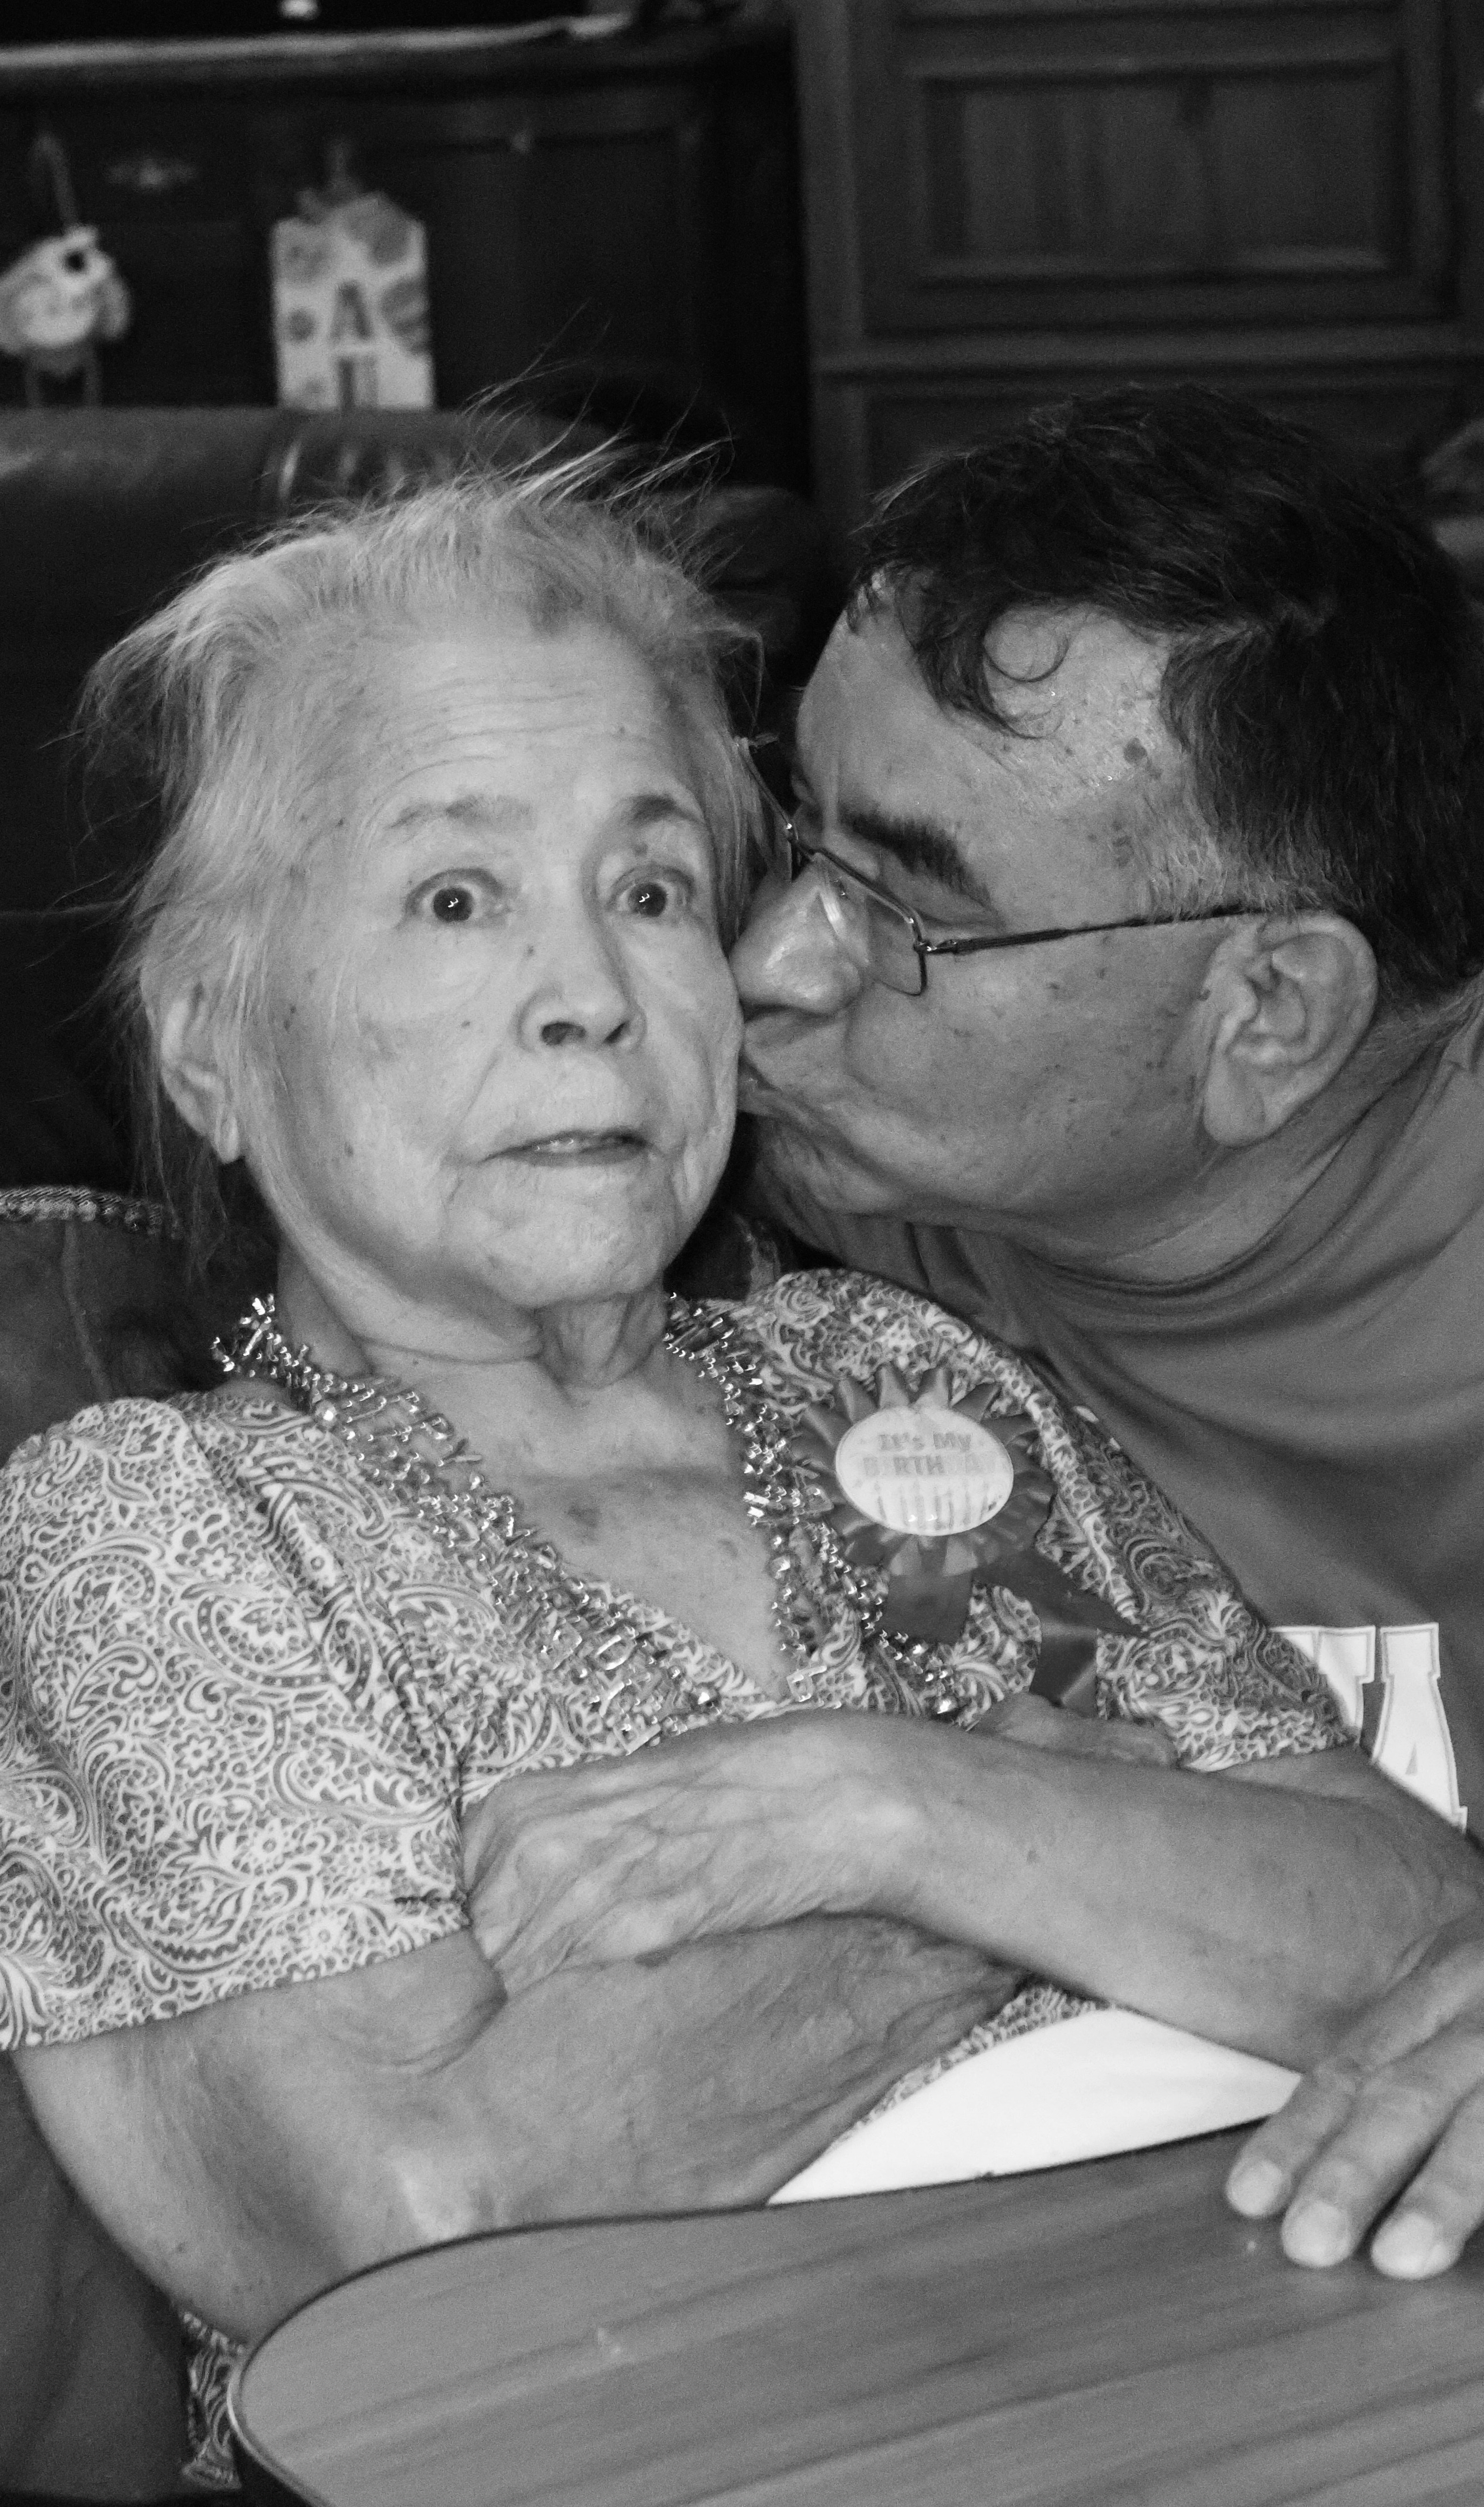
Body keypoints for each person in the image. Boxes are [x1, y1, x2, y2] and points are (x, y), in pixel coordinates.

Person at [0, 464, 1477, 2488]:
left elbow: (1404, 1922)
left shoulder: (893, 1361)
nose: (589, 995)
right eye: (454, 897)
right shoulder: (166, 1523)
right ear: (208, 1040)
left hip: (1308, 2387)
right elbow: (431, 2223)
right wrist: (1037, 1853)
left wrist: (878, 1810)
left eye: (648, 888)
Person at [727, 384, 1484, 2282]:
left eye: (901, 909)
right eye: (788, 838)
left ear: (1264, 1015)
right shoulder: (776, 1184)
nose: (766, 968)